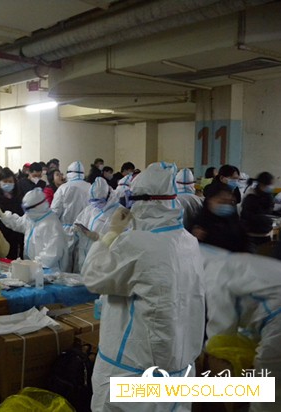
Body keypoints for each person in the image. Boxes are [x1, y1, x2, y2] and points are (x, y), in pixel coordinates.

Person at [82, 162, 205, 412]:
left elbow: (93, 276)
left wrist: (111, 233)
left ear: (143, 202)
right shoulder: (188, 242)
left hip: (132, 370)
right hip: (178, 366)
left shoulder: (137, 243)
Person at [200, 245, 281, 411]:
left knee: (269, 391)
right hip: (274, 314)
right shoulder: (233, 262)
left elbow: (221, 339)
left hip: (280, 319)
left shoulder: (214, 275)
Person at [0, 188, 68, 272]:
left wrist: (34, 264)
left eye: (27, 209)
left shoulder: (51, 225)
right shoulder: (33, 218)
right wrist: (3, 216)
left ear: (38, 206)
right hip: (33, 268)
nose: (26, 212)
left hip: (48, 270)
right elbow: (19, 224)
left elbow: (52, 254)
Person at [51, 161, 91, 271]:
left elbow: (55, 212)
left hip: (66, 232)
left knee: (64, 265)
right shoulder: (90, 187)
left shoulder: (63, 188)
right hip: (85, 232)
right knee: (81, 265)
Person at [74, 177, 118, 272]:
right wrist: (76, 229)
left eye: (99, 201)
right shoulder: (90, 209)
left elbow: (120, 242)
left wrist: (98, 237)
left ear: (109, 196)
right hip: (84, 256)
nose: (96, 205)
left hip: (103, 260)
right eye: (93, 202)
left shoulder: (119, 213)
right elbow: (78, 222)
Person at [192, 185, 250, 252]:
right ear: (210, 201)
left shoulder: (233, 218)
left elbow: (244, 240)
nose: (226, 205)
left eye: (230, 202)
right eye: (222, 202)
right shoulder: (201, 222)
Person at [0, 168, 24, 259]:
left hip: (14, 232)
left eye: (10, 181)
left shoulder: (19, 195)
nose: (8, 184)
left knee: (12, 257)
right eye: (5, 181)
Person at [240, 172, 275, 247]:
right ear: (262, 184)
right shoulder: (251, 197)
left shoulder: (268, 196)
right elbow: (249, 217)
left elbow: (268, 211)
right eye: (269, 184)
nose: (271, 187)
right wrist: (267, 220)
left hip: (265, 234)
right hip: (252, 235)